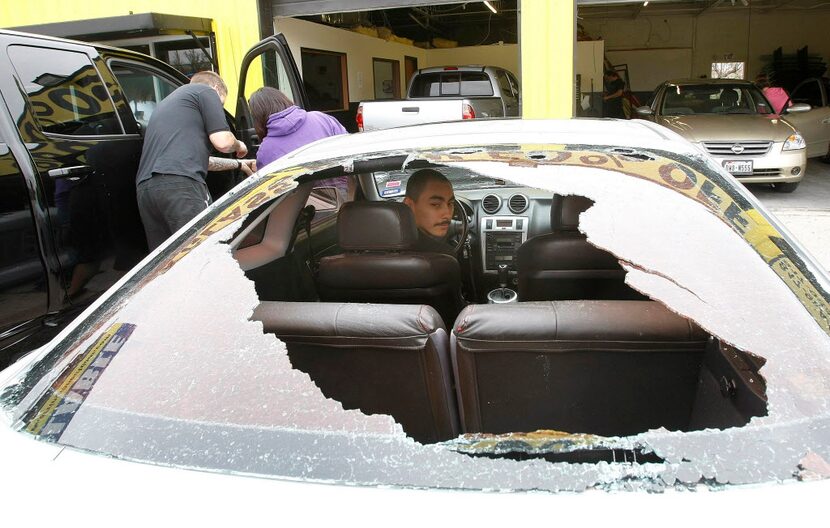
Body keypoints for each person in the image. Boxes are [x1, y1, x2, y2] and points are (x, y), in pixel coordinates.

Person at [136, 71, 256, 250]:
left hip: (146, 190)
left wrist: (239, 164)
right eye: (220, 104)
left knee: (164, 263)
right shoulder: (206, 92)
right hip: (181, 187)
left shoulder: (168, 106)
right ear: (216, 89)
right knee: (200, 252)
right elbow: (223, 142)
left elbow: (204, 162)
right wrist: (240, 146)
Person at [249, 87, 347, 168]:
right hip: (343, 189)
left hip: (302, 192)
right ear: (284, 100)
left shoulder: (266, 150)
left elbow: (269, 188)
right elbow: (349, 147)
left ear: (258, 118)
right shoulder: (322, 118)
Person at [403, 168, 457, 256]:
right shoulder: (443, 257)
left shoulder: (376, 243)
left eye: (450, 203)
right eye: (435, 204)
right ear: (409, 205)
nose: (447, 214)